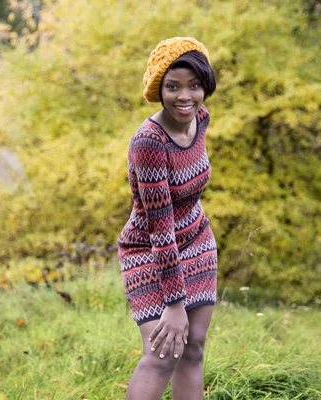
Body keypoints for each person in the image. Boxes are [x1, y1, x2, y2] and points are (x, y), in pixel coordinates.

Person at [117, 37, 217, 399]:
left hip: (198, 241)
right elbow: (161, 229)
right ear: (158, 89)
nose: (185, 97)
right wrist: (174, 304)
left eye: (194, 85)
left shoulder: (200, 119)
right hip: (150, 250)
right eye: (172, 87)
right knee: (163, 355)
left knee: (194, 348)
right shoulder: (149, 142)